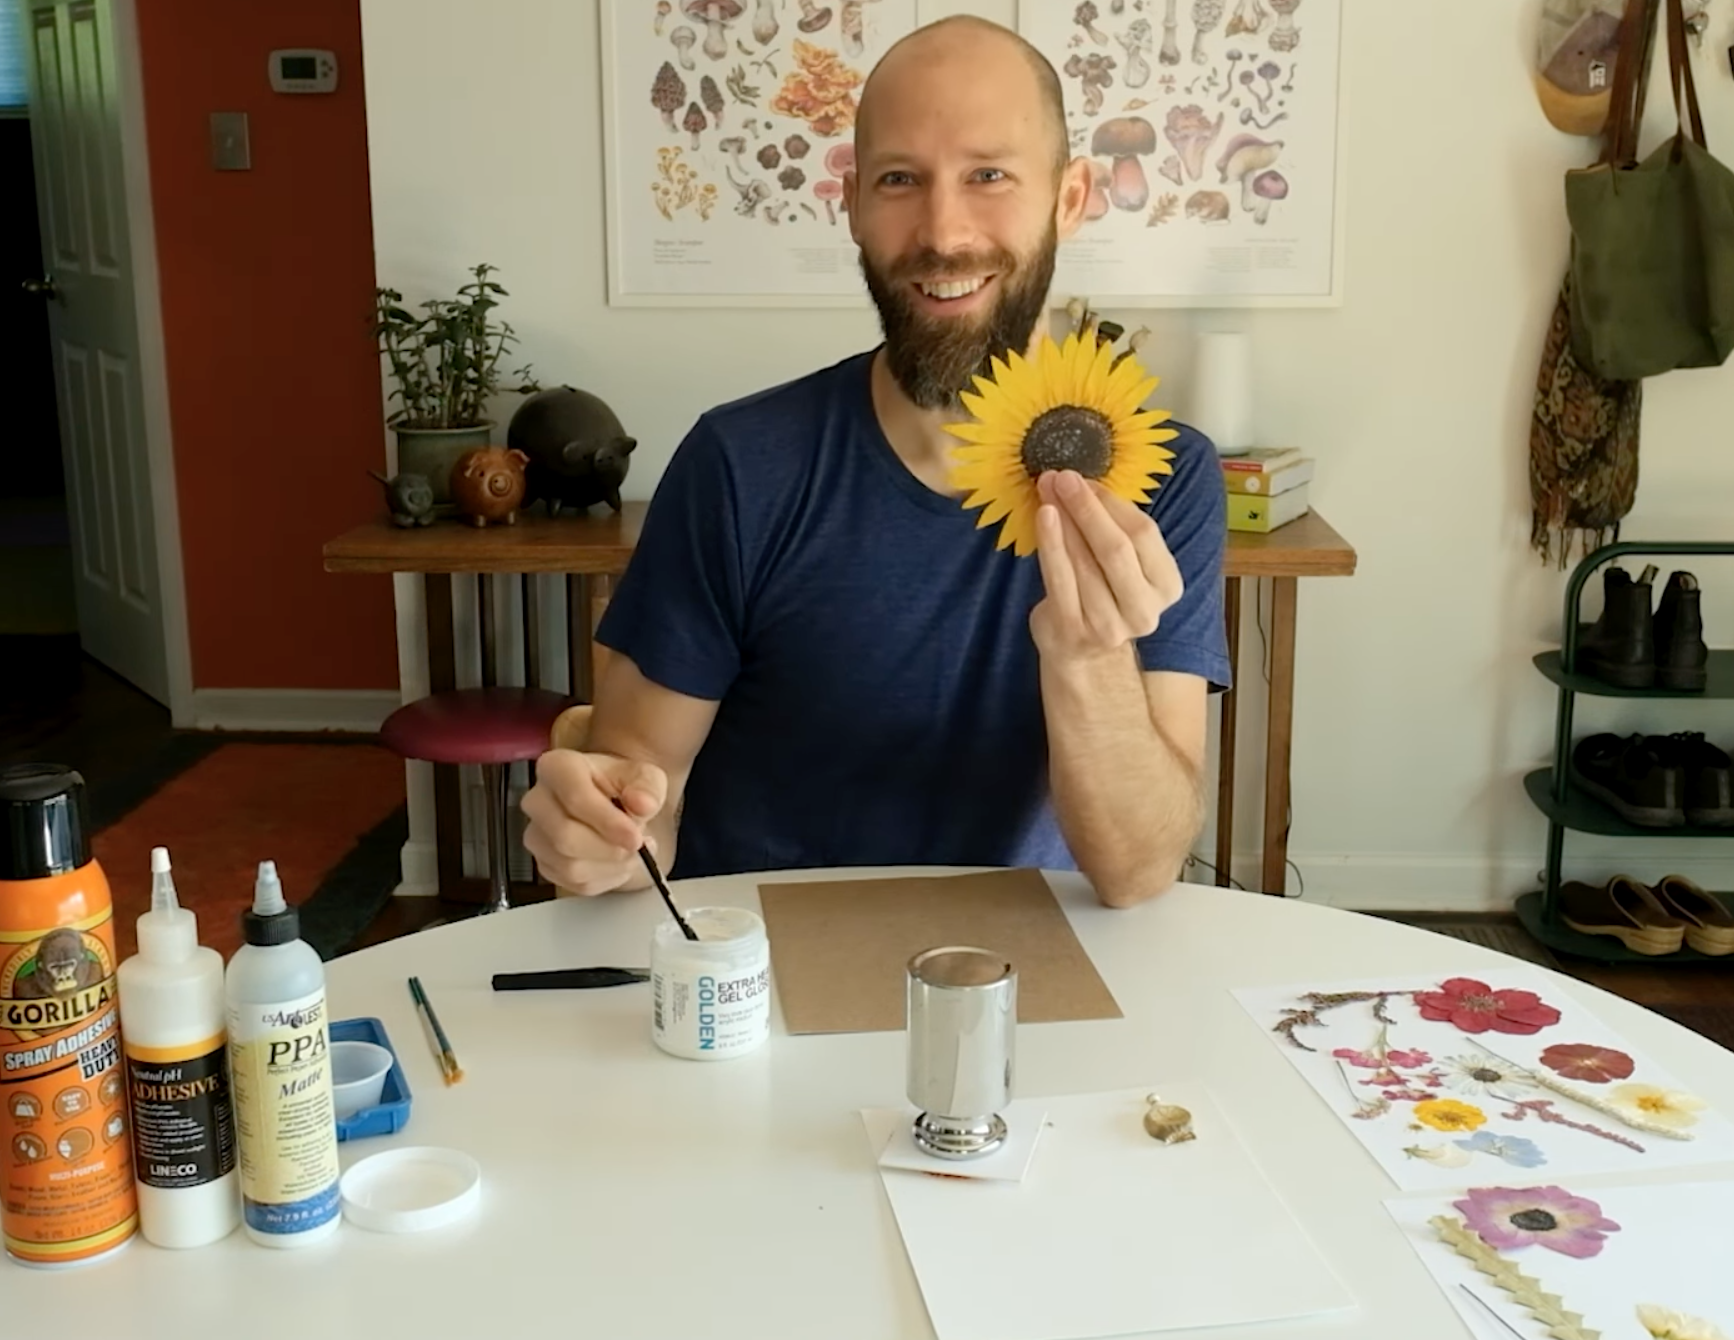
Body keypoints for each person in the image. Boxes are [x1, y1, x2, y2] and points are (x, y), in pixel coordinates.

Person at [519, 16, 1229, 908]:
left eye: (989, 175)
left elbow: (1136, 872)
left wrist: (1086, 657)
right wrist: (599, 839)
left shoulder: (1166, 480)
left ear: (1071, 197)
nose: (942, 230)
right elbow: (639, 814)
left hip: (1033, 982)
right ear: (851, 203)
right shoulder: (740, 467)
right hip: (758, 982)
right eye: (899, 179)